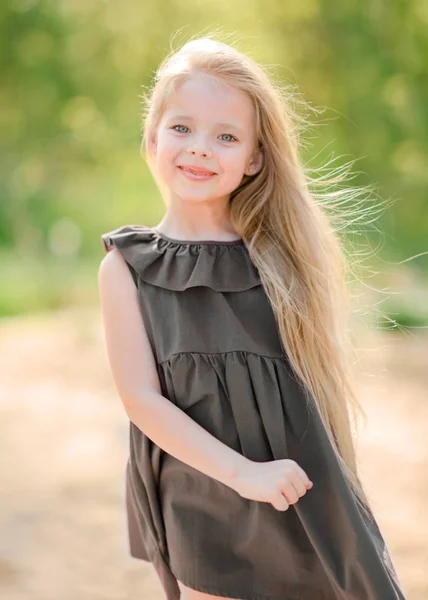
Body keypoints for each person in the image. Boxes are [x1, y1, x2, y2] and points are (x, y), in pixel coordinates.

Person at [98, 36, 406, 600]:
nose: (200, 149)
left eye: (226, 137)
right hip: (201, 484)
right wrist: (241, 474)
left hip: (296, 480)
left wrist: (280, 475)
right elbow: (141, 400)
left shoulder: (278, 253)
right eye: (182, 128)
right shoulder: (127, 268)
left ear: (254, 158)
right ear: (152, 138)